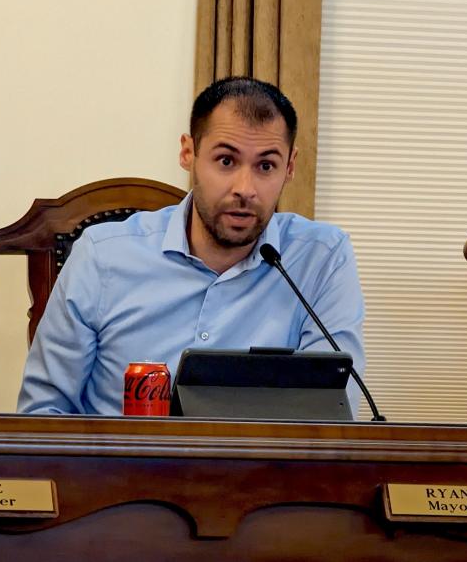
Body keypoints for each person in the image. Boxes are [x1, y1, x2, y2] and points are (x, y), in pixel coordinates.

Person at [18, 77, 366, 415]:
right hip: (119, 471)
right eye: (226, 161)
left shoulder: (321, 259)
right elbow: (43, 412)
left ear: (289, 168)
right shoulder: (103, 256)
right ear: (188, 153)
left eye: (266, 166)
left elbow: (330, 417)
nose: (245, 188)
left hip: (259, 472)